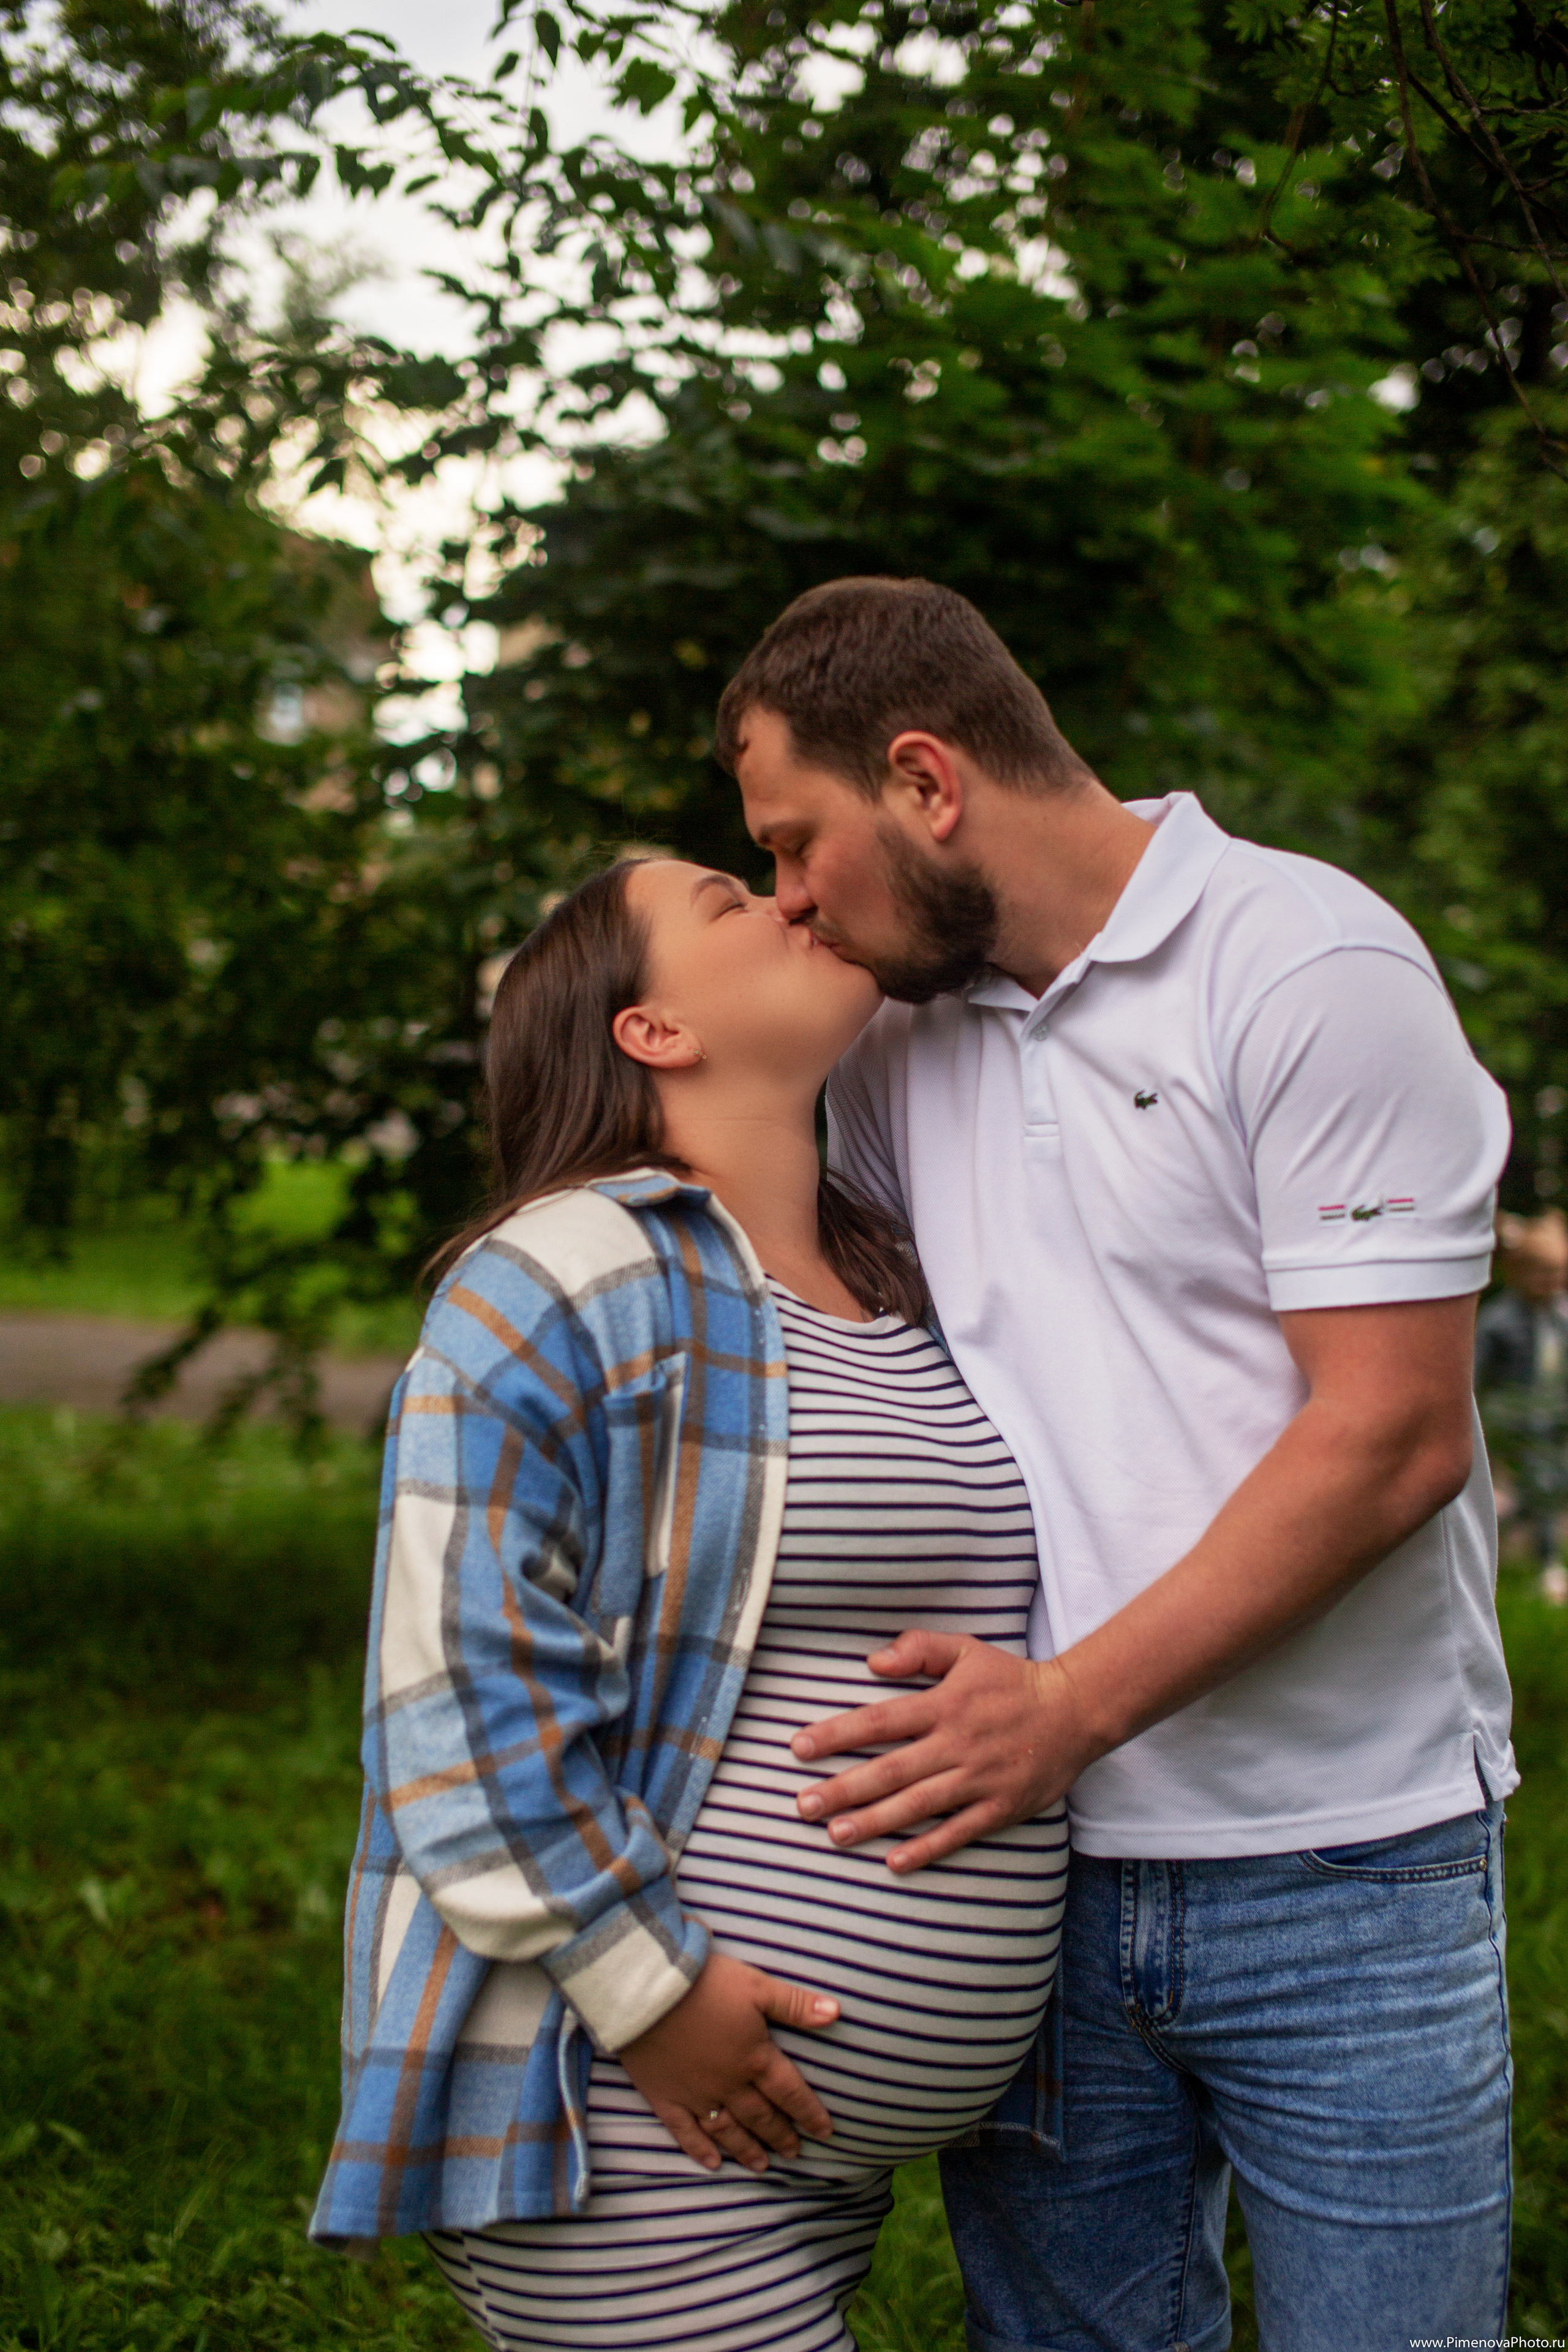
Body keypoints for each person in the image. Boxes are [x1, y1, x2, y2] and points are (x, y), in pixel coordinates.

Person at [716, 576, 1516, 2352]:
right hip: (1030, 1875)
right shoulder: (891, 1045)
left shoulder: (1309, 965)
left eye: (794, 843)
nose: (786, 901)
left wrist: (1068, 1704)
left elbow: (1391, 1432)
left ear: (925, 780)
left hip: (1349, 1858)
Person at [308, 853, 1068, 2352]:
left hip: (791, 2137)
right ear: (650, 1030)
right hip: (627, 2100)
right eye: (732, 902)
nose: (791, 898)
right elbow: (454, 1697)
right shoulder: (556, 1275)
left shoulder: (900, 1282)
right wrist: (649, 1990)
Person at [1476, 1207, 1568, 1600]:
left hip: (1553, 1412)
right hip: (1514, 1418)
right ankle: (1549, 1566)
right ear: (1518, 1275)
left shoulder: (1559, 1316)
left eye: (1559, 1275)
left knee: (1551, 1483)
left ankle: (1504, 1524)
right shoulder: (1499, 1321)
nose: (1554, 1284)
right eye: (1544, 1275)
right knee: (1543, 1481)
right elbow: (1476, 1377)